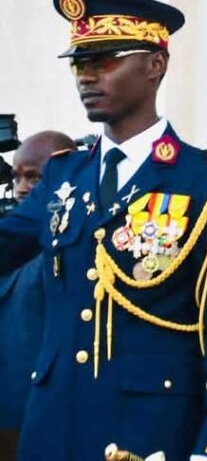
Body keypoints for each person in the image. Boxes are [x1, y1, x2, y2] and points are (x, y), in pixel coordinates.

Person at [0, 0, 207, 461]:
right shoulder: (63, 175)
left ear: (155, 64)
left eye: (104, 61)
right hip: (51, 431)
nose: (87, 76)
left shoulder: (206, 181)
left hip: (148, 435)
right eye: (79, 64)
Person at [0, 131, 76, 460]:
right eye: (16, 177)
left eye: (34, 177)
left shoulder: (71, 247)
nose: (21, 187)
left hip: (45, 414)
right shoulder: (10, 239)